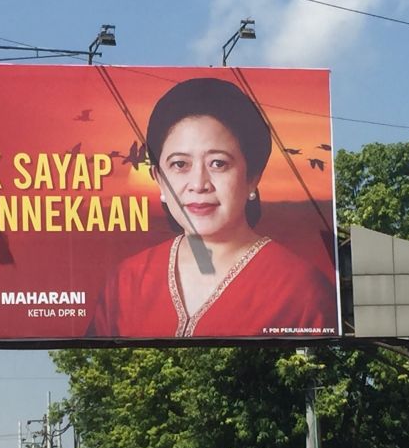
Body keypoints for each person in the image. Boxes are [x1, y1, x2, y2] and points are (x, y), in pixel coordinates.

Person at [87, 76, 336, 339]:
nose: (199, 184)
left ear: (253, 176)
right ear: (158, 178)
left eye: (218, 163)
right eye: (180, 165)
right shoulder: (128, 281)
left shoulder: (300, 290)